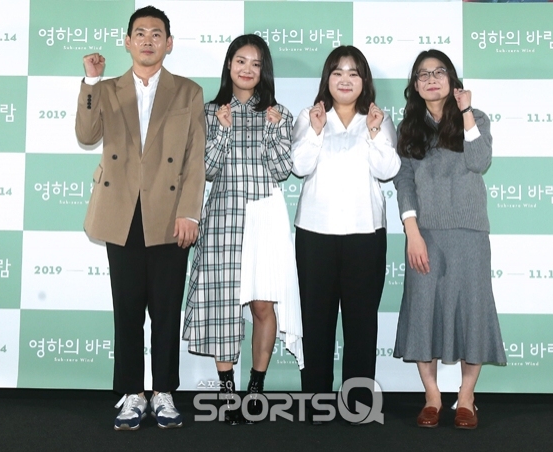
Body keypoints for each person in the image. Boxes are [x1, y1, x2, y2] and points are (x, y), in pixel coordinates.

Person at [75, 6, 206, 431]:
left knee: (166, 310)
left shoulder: (188, 92)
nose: (148, 40)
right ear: (127, 42)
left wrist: (189, 211)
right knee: (127, 310)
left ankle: (164, 392)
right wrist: (91, 81)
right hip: (121, 212)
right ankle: (132, 393)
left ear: (169, 43)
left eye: (156, 33)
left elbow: (195, 158)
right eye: (140, 33)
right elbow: (86, 135)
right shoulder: (106, 88)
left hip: (169, 215)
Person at [182, 34, 303, 425]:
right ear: (229, 65)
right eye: (240, 61)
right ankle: (226, 390)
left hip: (265, 216)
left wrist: (270, 132)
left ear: (264, 69)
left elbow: (282, 171)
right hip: (223, 216)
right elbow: (207, 170)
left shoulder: (279, 114)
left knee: (263, 305)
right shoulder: (209, 111)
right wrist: (222, 131)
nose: (247, 69)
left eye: (255, 63)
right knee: (222, 304)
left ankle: (256, 388)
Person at [392, 49, 506, 430]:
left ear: (452, 79)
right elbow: (404, 182)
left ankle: (467, 397)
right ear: (415, 85)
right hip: (424, 235)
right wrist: (412, 232)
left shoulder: (476, 118)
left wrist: (466, 111)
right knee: (423, 313)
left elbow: (479, 161)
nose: (431, 79)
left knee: (473, 312)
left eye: (439, 72)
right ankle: (432, 396)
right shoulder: (409, 128)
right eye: (423, 74)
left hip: (470, 234)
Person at [291, 45, 400, 423]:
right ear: (328, 78)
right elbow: (299, 166)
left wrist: (375, 133)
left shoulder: (378, 118)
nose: (345, 79)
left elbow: (388, 170)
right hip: (315, 233)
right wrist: (315, 131)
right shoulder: (310, 115)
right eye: (338, 72)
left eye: (354, 73)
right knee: (316, 322)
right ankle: (316, 401)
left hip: (364, 234)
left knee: (361, 323)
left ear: (364, 80)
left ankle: (358, 404)